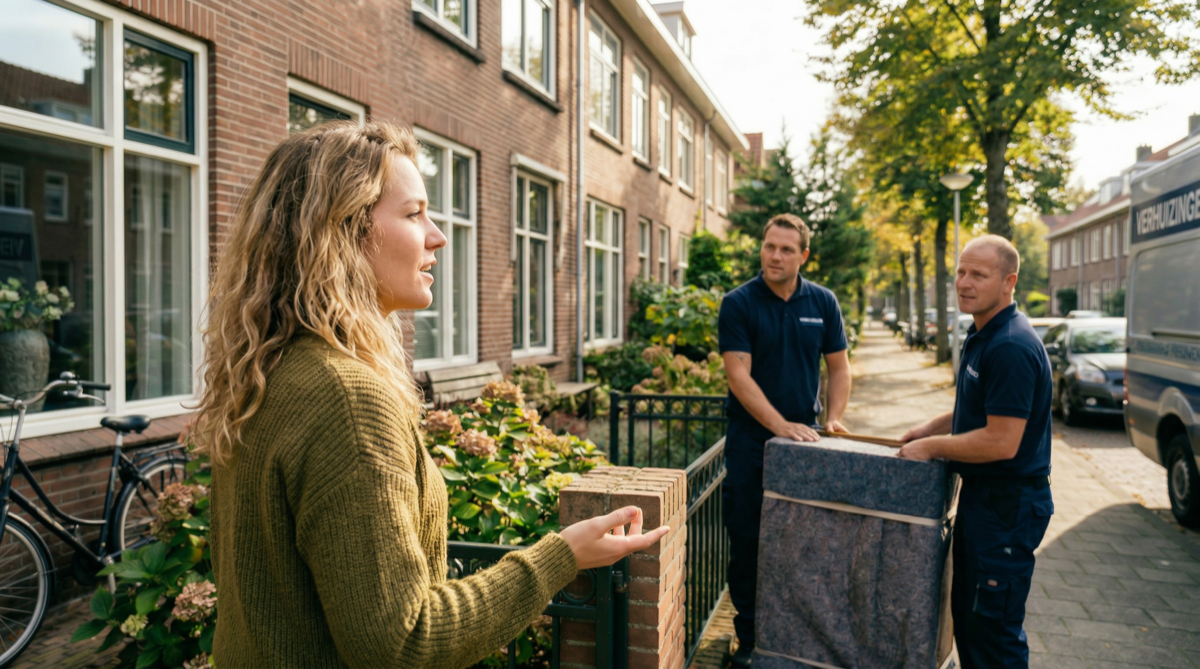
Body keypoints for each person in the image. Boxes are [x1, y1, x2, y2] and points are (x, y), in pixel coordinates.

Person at [190, 121, 668, 668]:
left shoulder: (273, 368)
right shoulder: (346, 398)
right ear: (342, 231)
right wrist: (562, 556)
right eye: (414, 213)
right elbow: (403, 642)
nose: (438, 235)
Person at [898, 235, 1054, 669]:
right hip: (985, 500)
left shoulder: (1010, 346)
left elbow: (1001, 441)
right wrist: (927, 428)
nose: (964, 283)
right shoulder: (982, 333)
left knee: (992, 636)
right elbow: (977, 411)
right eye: (961, 272)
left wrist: (930, 448)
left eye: (978, 275)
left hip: (1008, 508)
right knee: (969, 622)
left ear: (1009, 282)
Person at [717, 214, 852, 667]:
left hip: (806, 444)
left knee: (807, 543)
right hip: (752, 443)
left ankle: (797, 635)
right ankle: (751, 637)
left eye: (786, 249)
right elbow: (738, 375)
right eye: (769, 246)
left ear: (804, 256)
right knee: (748, 540)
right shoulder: (738, 303)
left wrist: (833, 419)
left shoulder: (823, 302)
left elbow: (839, 367)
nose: (775, 255)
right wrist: (778, 425)